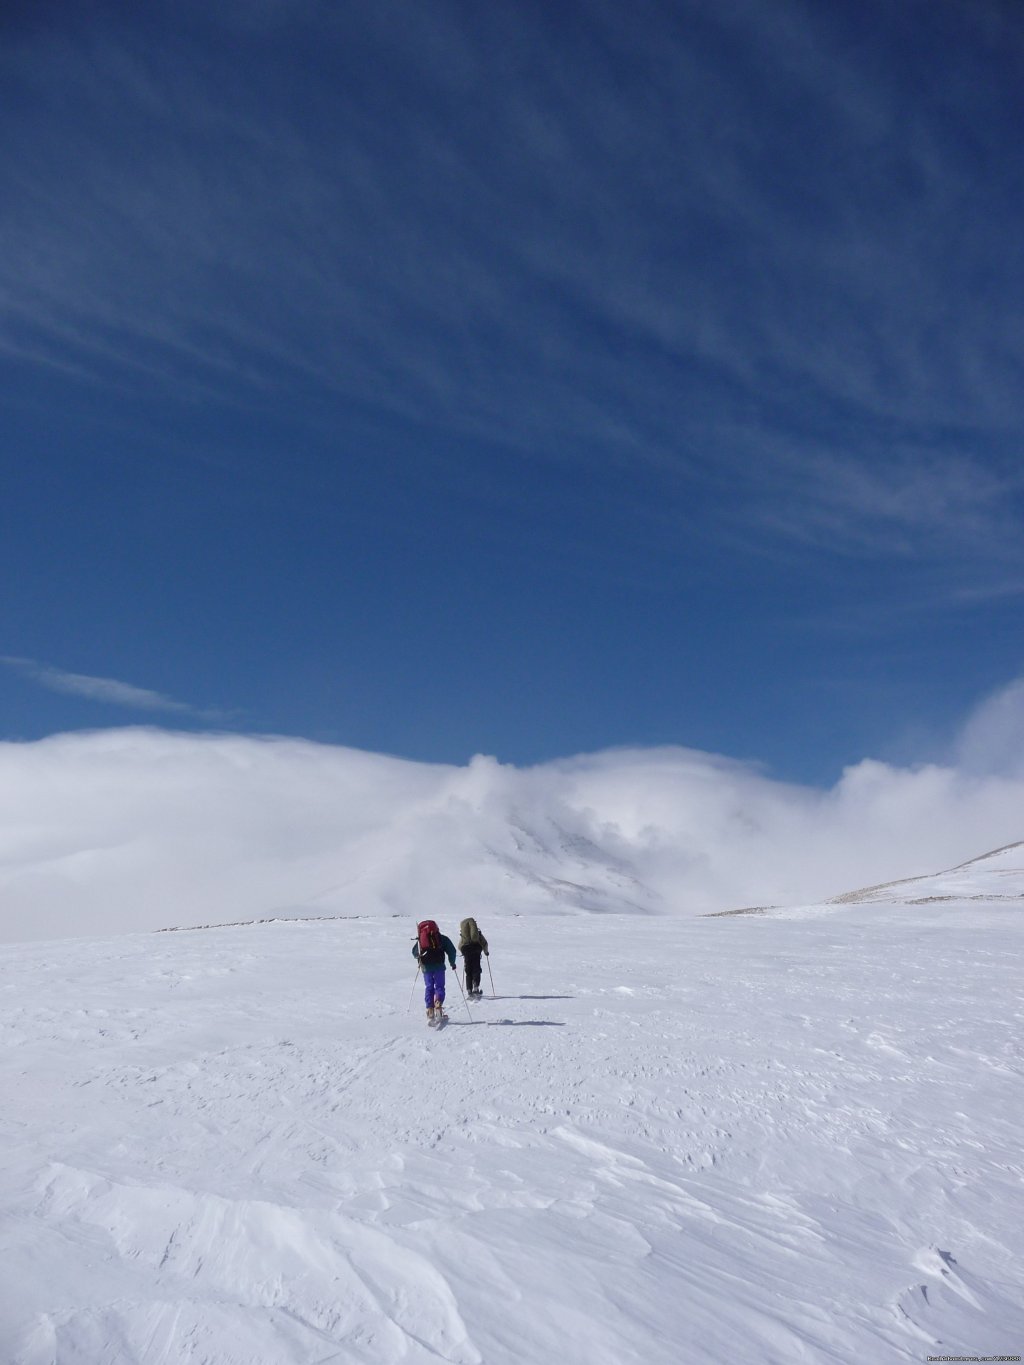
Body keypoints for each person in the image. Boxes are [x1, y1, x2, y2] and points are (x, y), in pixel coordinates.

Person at [412, 920, 457, 1024]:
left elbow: (414, 952)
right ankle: (438, 1004)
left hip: (426, 967)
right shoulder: (441, 938)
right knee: (440, 986)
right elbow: (452, 950)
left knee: (429, 987)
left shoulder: (421, 940)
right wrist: (452, 963)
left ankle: (430, 1010)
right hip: (439, 966)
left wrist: (419, 958)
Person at [458, 917, 489, 999]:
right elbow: (485, 943)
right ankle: (476, 987)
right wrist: (486, 952)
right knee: (476, 969)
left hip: (467, 952)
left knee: (468, 971)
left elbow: (459, 946)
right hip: (476, 950)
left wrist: (464, 952)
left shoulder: (464, 936)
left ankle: (469, 990)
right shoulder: (478, 933)